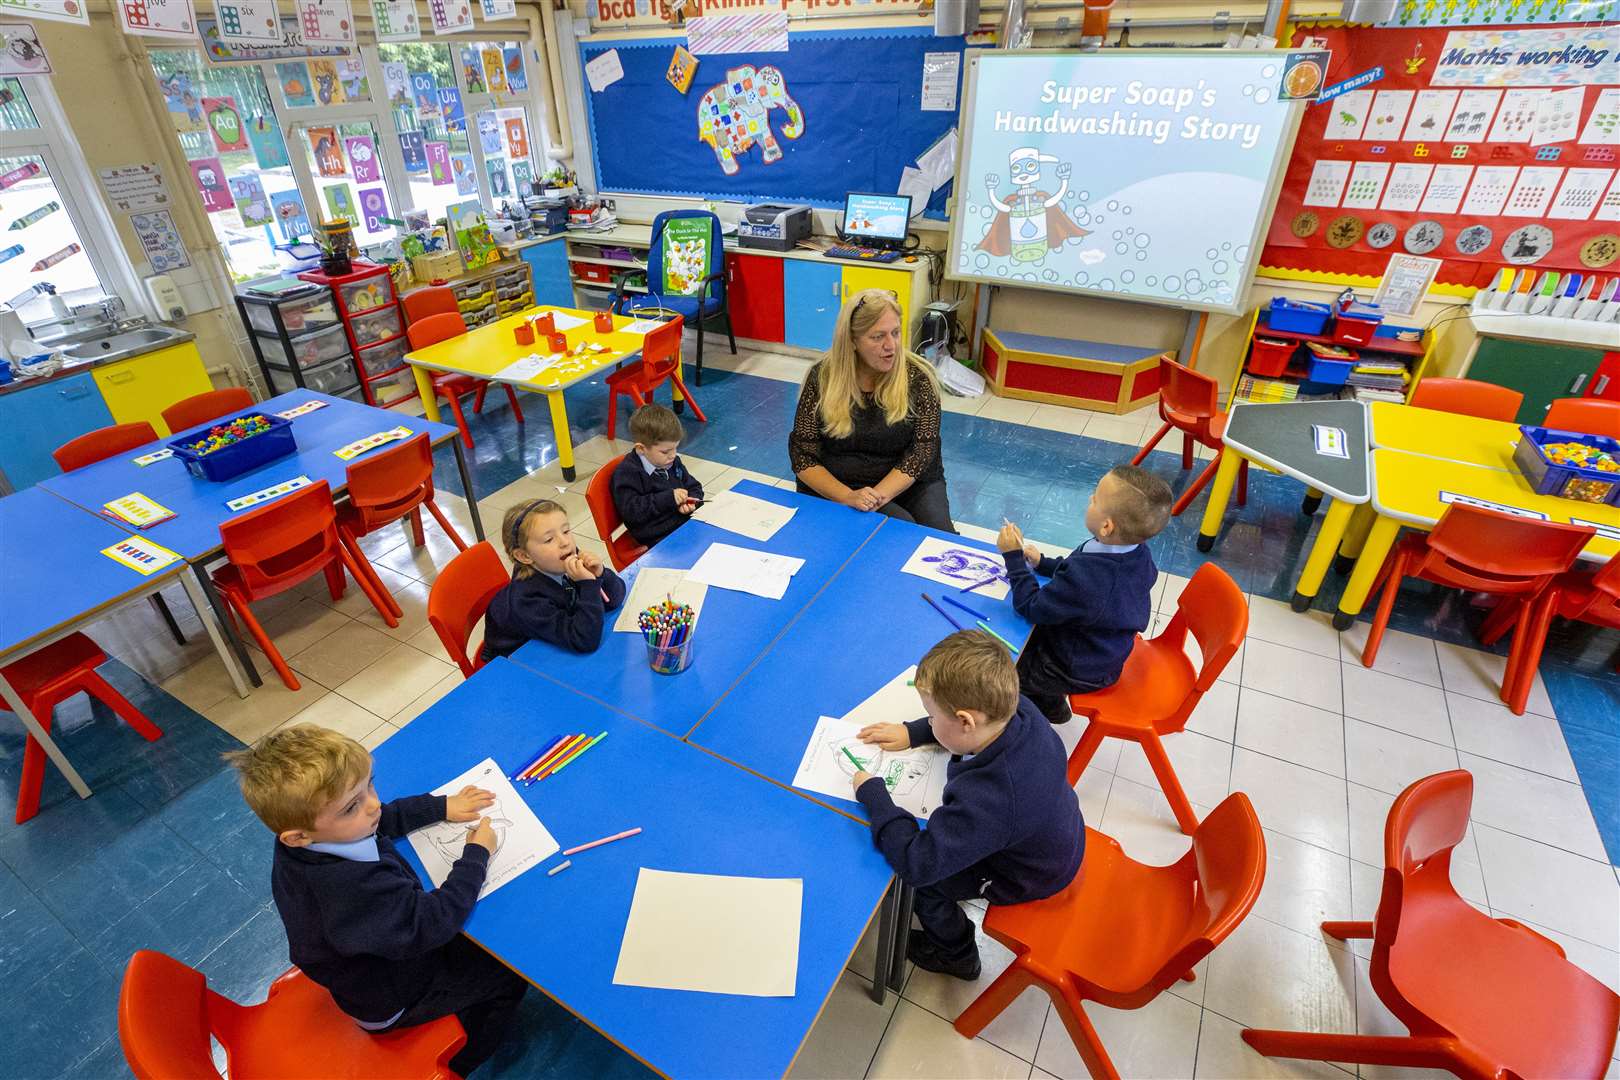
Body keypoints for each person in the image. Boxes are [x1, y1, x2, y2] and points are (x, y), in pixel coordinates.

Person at [225, 724, 527, 1077]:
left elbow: (382, 818)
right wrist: (476, 854)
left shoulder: (311, 841)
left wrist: (442, 806)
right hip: (395, 999)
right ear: (298, 836)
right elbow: (432, 923)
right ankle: (462, 1059)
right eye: (351, 806)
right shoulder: (351, 888)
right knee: (509, 973)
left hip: (378, 956)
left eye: (369, 783)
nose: (372, 805)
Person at [852, 630, 1084, 980]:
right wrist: (915, 732)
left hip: (1027, 874)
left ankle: (957, 956)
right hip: (1058, 833)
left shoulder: (994, 797)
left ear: (965, 721)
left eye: (931, 717)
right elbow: (960, 726)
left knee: (925, 888)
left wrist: (874, 794)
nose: (929, 721)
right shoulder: (1018, 708)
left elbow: (919, 862)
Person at [997, 464, 1171, 725]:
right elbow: (1075, 568)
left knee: (1002, 671)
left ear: (1106, 526)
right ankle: (1050, 703)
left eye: (1095, 499)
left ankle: (1035, 711)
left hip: (1076, 669)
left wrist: (1013, 559)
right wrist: (1042, 563)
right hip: (1103, 650)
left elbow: (1031, 606)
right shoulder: (1135, 551)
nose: (1090, 499)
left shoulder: (1092, 580)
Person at [788, 288, 954, 532]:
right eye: (878, 337)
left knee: (938, 538)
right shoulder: (822, 377)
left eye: (895, 333)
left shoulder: (919, 378)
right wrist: (848, 497)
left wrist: (874, 497)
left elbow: (921, 452)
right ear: (852, 341)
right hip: (839, 481)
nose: (891, 345)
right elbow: (803, 457)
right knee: (899, 530)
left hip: (909, 480)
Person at [481, 499, 626, 660]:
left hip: (549, 639)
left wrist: (600, 574)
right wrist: (589, 586)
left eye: (565, 531)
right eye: (549, 540)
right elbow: (584, 641)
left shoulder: (563, 560)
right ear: (524, 556)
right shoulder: (526, 600)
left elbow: (615, 599)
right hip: (514, 663)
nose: (565, 542)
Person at [610, 403, 704, 548]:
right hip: (658, 538)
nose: (673, 455)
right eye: (665, 452)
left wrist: (691, 503)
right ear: (641, 448)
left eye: (675, 448)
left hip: (683, 525)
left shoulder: (672, 462)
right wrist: (668, 498)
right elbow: (632, 512)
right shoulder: (627, 473)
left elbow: (694, 486)